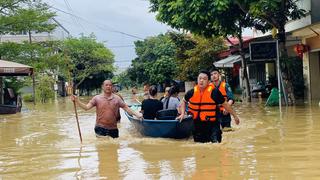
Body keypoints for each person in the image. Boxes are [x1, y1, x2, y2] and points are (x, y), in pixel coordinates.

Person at [177, 70, 240, 143]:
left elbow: (225, 104)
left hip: (212, 125)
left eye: (204, 79)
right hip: (197, 125)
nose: (201, 80)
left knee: (215, 145)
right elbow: (183, 101)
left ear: (208, 81)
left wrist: (235, 116)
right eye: (200, 78)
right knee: (199, 146)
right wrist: (182, 113)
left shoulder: (214, 92)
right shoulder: (192, 92)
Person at [71, 80, 142, 138]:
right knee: (102, 150)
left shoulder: (117, 98)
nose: (108, 86)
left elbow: (126, 108)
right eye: (106, 85)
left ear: (112, 87)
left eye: (110, 85)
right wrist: (77, 100)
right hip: (100, 128)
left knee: (114, 151)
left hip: (113, 129)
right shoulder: (97, 98)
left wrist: (137, 114)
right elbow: (86, 107)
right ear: (102, 87)